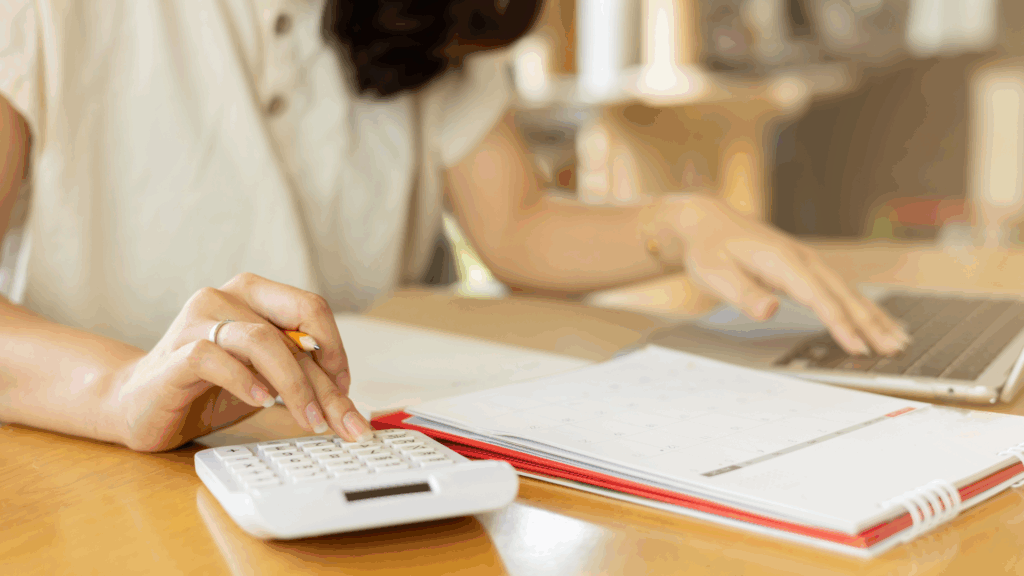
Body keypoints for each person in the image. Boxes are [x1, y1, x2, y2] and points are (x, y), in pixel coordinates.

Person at [0, 0, 908, 452]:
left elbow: (515, 227)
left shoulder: (432, 13)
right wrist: (124, 392)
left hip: (352, 453)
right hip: (91, 458)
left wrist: (684, 221)